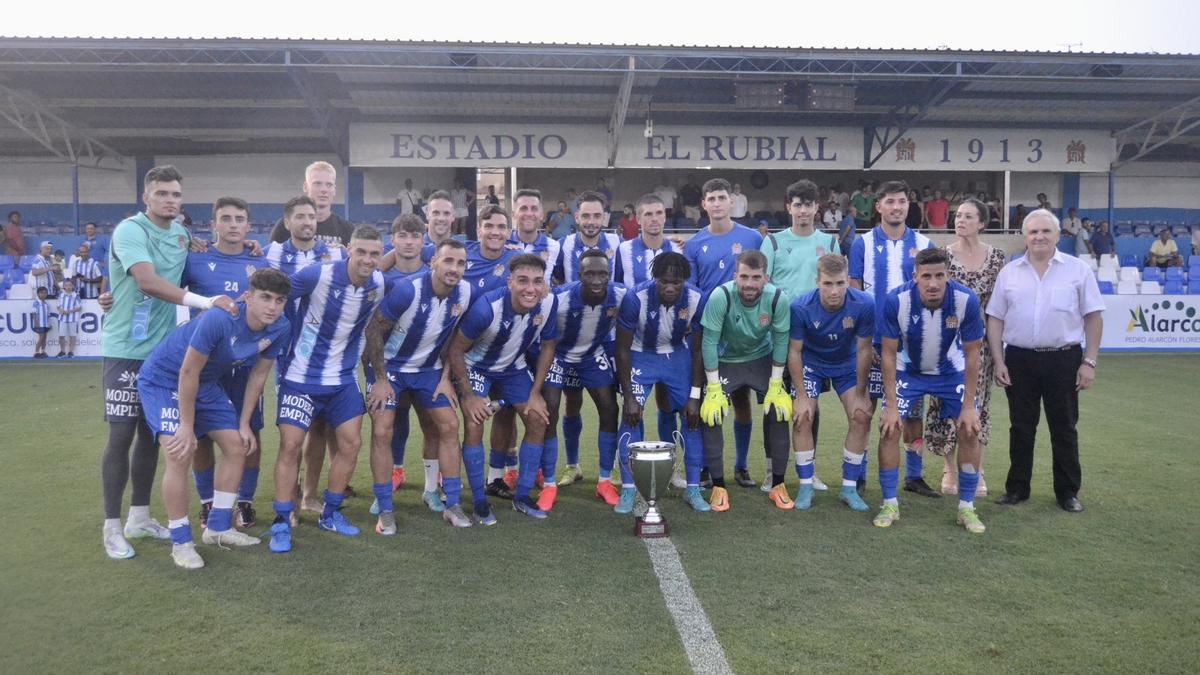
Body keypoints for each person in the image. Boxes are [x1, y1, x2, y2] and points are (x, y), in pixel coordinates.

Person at [98, 165, 238, 561]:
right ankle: (110, 526)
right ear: (146, 197)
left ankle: (139, 518)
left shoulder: (181, 235)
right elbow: (144, 280)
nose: (170, 201)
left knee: (151, 436)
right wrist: (204, 303)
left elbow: (204, 257)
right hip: (125, 348)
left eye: (176, 195)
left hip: (161, 359)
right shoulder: (130, 230)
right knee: (121, 435)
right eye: (162, 194)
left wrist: (250, 250)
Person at [136, 268, 292, 568]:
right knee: (180, 452)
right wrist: (186, 425)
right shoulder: (220, 318)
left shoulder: (280, 327)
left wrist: (245, 422)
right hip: (165, 379)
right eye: (265, 298)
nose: (272, 306)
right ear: (248, 296)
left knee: (237, 446)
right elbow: (187, 371)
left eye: (280, 300)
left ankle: (218, 528)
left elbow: (258, 376)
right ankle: (181, 541)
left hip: (205, 384)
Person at [268, 226, 385, 553]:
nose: (367, 259)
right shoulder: (317, 275)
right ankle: (281, 519)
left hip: (343, 379)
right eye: (361, 252)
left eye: (374, 254)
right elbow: (278, 297)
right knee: (290, 446)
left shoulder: (378, 285)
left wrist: (380, 374)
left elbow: (373, 327)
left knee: (351, 444)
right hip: (301, 378)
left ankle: (330, 513)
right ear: (349, 249)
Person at [988, 209, 1104, 514]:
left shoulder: (1078, 271)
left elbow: (1093, 317)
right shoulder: (1009, 272)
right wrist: (999, 361)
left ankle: (1067, 493)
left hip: (1064, 360)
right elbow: (995, 319)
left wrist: (1088, 362)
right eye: (1033, 232)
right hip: (1019, 359)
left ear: (1057, 235)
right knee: (1021, 427)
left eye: (1045, 232)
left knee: (1064, 428)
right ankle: (1017, 489)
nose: (1039, 237)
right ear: (1024, 237)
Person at [363, 239, 475, 532]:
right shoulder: (407, 290)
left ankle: (451, 503)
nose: (454, 268)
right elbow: (373, 328)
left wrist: (445, 377)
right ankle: (385, 507)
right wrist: (380, 379)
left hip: (429, 370)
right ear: (433, 263)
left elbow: (457, 340)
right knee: (382, 429)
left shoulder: (465, 292)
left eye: (460, 263)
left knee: (449, 426)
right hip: (391, 368)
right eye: (448, 261)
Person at [875, 248, 986, 533]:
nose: (933, 283)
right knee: (889, 428)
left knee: (970, 429)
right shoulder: (896, 300)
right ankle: (889, 503)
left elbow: (974, 354)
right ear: (915, 277)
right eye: (927, 276)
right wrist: (889, 405)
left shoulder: (965, 300)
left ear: (948, 275)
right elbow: (887, 353)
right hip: (907, 370)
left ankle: (966, 508)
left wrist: (970, 405)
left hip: (950, 371)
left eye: (940, 275)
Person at [447, 253, 559, 522]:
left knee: (538, 419)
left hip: (513, 368)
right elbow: (456, 350)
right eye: (522, 281)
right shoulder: (488, 308)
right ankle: (479, 501)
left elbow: (548, 346)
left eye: (537, 282)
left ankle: (521, 497)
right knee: (475, 422)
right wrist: (469, 396)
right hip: (477, 367)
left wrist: (535, 393)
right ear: (510, 282)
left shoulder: (548, 303)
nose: (530, 289)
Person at [179, 197, 268, 529]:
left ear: (248, 226)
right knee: (202, 437)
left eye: (239, 219)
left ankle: (244, 502)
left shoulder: (260, 262)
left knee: (251, 434)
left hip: (244, 366)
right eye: (226, 218)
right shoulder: (194, 260)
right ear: (212, 224)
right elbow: (160, 290)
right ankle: (207, 503)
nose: (233, 224)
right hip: (204, 368)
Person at [848, 180, 936, 497]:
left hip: (913, 346)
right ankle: (857, 475)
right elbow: (856, 292)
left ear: (908, 205)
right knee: (866, 409)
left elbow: (931, 291)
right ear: (879, 206)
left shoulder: (924, 243)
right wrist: (866, 339)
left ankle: (914, 475)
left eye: (902, 201)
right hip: (873, 343)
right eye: (890, 201)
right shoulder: (863, 244)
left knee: (912, 413)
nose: (896, 207)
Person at [262, 196, 346, 516]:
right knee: (292, 431)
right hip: (286, 353)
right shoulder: (271, 253)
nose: (307, 222)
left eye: (311, 216)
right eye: (300, 217)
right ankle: (291, 499)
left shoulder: (335, 253)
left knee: (320, 428)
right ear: (287, 223)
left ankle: (310, 494)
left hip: (322, 354)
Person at [683, 178, 764, 487]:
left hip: (744, 334)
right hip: (708, 334)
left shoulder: (752, 238)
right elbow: (691, 289)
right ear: (703, 204)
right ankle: (706, 466)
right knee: (710, 401)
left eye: (721, 197)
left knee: (742, 401)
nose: (716, 203)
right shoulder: (694, 244)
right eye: (711, 198)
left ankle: (741, 466)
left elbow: (763, 281)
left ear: (733, 201)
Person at [923, 198, 1007, 496]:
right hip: (945, 344)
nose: (961, 220)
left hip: (981, 345)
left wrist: (998, 355)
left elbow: (1000, 306)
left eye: (968, 216)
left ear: (982, 223)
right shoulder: (942, 256)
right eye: (958, 216)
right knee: (946, 404)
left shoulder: (997, 258)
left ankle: (976, 470)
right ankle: (948, 469)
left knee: (977, 406)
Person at [697, 250, 792, 512]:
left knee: (780, 410)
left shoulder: (778, 299)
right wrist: (713, 388)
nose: (749, 283)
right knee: (712, 413)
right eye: (744, 277)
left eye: (756, 277)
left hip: (761, 358)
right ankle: (718, 486)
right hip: (727, 359)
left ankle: (778, 484)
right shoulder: (721, 296)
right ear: (734, 276)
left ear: (766, 278)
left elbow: (782, 340)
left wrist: (776, 384)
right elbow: (709, 342)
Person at [615, 252, 709, 513]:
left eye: (676, 283)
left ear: (684, 281)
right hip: (639, 355)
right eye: (664, 281)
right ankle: (628, 489)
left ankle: (693, 489)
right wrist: (629, 397)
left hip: (676, 356)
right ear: (654, 278)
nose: (669, 287)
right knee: (630, 416)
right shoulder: (635, 298)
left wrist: (694, 395)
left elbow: (699, 350)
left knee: (692, 417)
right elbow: (621, 349)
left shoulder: (697, 298)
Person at [761, 179, 840, 489]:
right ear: (788, 207)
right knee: (776, 403)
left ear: (816, 208)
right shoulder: (774, 242)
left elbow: (837, 286)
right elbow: (764, 285)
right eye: (797, 204)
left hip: (816, 338)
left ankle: (810, 468)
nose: (803, 210)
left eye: (808, 204)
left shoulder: (830, 243)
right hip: (780, 336)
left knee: (811, 404)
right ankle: (771, 471)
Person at [787, 254, 874, 512]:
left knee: (861, 415)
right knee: (802, 416)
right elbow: (794, 352)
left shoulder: (865, 304)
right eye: (827, 284)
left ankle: (848, 487)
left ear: (848, 280)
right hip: (811, 364)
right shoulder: (800, 307)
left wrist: (860, 392)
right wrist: (801, 395)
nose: (834, 290)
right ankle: (805, 486)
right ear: (817, 281)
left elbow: (864, 350)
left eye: (839, 283)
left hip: (846, 364)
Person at [543, 250, 627, 510]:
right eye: (590, 273)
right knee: (549, 412)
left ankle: (604, 481)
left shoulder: (622, 296)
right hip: (560, 356)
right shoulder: (559, 299)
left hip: (592, 355)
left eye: (602, 273)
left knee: (610, 408)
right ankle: (548, 483)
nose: (596, 279)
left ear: (609, 274)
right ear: (580, 275)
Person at [267, 161, 354, 247]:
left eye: (329, 185)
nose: (324, 190)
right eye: (317, 184)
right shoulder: (287, 225)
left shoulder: (347, 229)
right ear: (305, 187)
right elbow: (270, 256)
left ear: (334, 190)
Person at [614, 194, 680, 288]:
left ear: (665, 217)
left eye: (659, 213)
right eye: (648, 214)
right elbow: (618, 287)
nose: (654, 219)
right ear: (638, 219)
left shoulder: (678, 249)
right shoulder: (624, 249)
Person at [556, 190, 620, 285]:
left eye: (597, 216)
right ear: (577, 218)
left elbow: (620, 279)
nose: (591, 222)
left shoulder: (617, 242)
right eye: (585, 216)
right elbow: (559, 278)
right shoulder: (563, 245)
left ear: (604, 218)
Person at [508, 189, 559, 285]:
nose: (529, 213)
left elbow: (559, 279)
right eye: (523, 208)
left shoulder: (554, 246)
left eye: (534, 209)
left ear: (541, 215)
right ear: (514, 214)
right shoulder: (503, 243)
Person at [56, 278, 81, 357]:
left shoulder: (76, 295)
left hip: (72, 318)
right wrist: (61, 310)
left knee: (72, 335)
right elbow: (58, 305)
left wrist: (69, 311)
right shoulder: (61, 295)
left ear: (73, 286)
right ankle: (62, 351)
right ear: (64, 286)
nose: (68, 287)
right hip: (62, 318)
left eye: (70, 285)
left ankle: (71, 351)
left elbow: (79, 307)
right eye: (66, 285)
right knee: (61, 336)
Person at [31, 286, 52, 358]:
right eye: (42, 293)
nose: (44, 294)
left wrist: (49, 323)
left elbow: (48, 315)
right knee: (41, 337)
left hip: (45, 323)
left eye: (45, 293)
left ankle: (43, 351)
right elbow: (34, 313)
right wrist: (36, 322)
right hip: (40, 323)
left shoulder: (46, 304)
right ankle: (36, 352)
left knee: (44, 338)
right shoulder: (36, 303)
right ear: (38, 294)